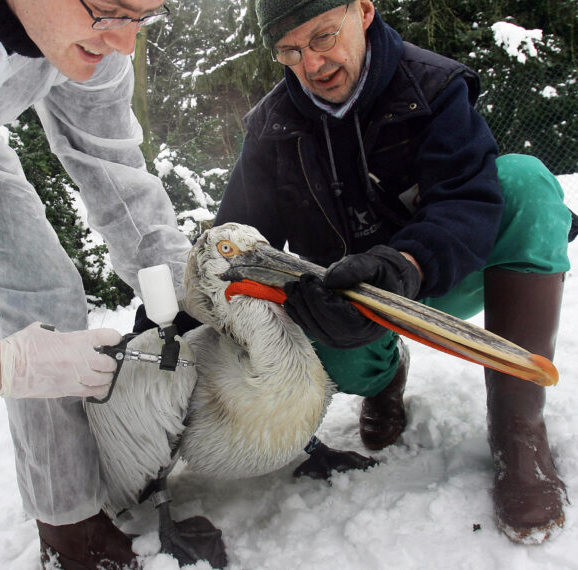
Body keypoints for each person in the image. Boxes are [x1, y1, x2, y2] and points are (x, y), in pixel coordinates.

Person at [215, 0, 574, 545]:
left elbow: (468, 199)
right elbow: (234, 241)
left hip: (437, 276)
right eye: (289, 51)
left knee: (525, 183)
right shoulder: (270, 129)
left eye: (322, 37)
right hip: (351, 310)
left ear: (362, 10)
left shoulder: (432, 84)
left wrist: (405, 263)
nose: (311, 65)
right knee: (321, 342)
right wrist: (160, 325)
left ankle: (518, 431)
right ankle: (383, 377)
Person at [0, 0, 192, 568]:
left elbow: (112, 168)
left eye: (144, 17)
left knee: (43, 294)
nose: (126, 43)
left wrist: (178, 292)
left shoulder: (97, 37)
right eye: (110, 12)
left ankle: (69, 519)